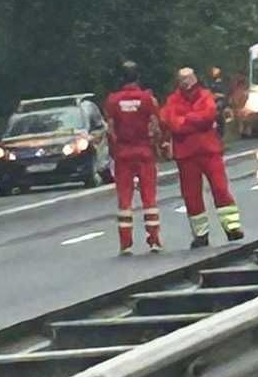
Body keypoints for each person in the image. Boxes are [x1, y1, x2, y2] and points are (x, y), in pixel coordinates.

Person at [161, 67, 243, 246]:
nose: (186, 82)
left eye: (189, 78)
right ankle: (201, 234)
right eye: (183, 78)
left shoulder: (205, 96)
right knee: (192, 196)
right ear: (178, 81)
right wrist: (195, 120)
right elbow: (173, 124)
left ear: (195, 78)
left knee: (220, 189)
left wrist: (186, 119)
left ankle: (232, 228)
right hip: (186, 155)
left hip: (209, 151)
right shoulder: (173, 100)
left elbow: (208, 116)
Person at [103, 61, 163, 254]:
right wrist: (156, 147)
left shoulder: (113, 101)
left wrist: (115, 151)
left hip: (123, 154)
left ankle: (125, 243)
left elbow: (110, 130)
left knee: (124, 199)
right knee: (149, 197)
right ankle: (154, 239)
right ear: (138, 77)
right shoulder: (147, 99)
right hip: (144, 151)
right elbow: (155, 126)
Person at [206, 65, 231, 138]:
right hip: (211, 102)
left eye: (215, 70)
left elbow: (226, 93)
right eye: (213, 70)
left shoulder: (224, 82)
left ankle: (220, 133)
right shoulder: (210, 82)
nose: (214, 72)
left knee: (219, 114)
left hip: (221, 102)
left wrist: (217, 95)